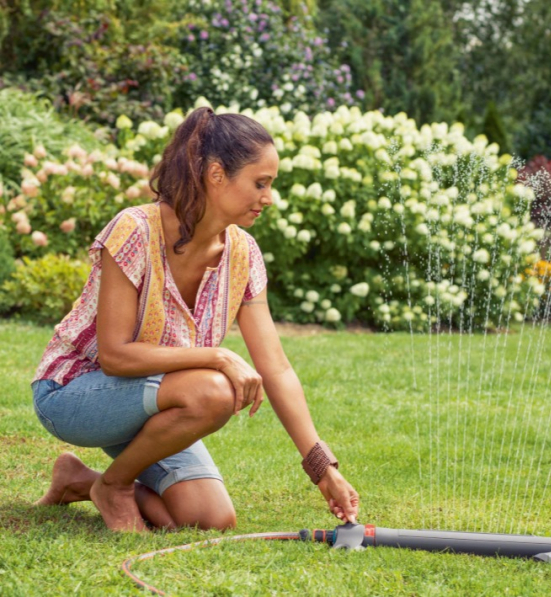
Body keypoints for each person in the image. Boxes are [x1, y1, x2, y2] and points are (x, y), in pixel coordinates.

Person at [31, 106, 361, 533]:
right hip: (75, 393)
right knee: (215, 391)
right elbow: (113, 356)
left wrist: (323, 469)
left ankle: (80, 480)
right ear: (217, 174)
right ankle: (114, 486)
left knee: (209, 519)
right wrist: (219, 357)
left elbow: (276, 368)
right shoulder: (135, 230)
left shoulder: (243, 254)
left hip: (153, 404)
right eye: (260, 183)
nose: (269, 198)